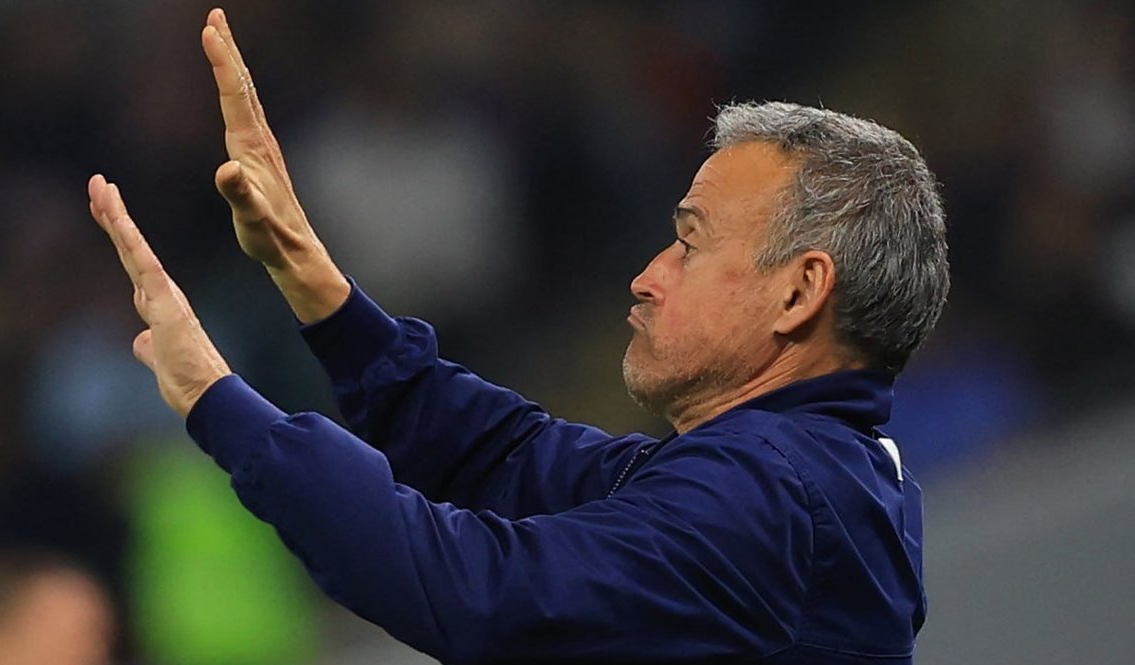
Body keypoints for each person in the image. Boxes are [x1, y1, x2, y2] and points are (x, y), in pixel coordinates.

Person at [87, 8, 948, 664]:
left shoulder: (771, 495)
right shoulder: (807, 476)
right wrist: (318, 285)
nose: (649, 274)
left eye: (690, 243)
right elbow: (511, 459)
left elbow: (474, 588)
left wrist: (219, 401)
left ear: (799, 291)